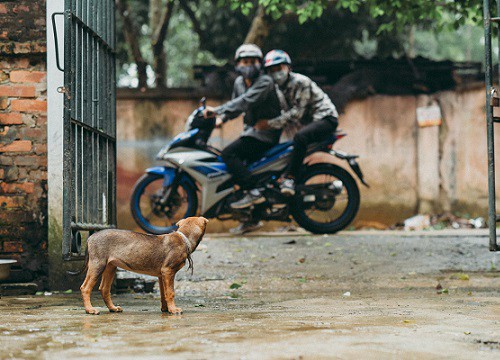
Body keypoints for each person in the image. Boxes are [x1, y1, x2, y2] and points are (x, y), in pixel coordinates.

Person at [203, 44, 285, 233]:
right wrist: (222, 119)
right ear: (238, 64)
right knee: (247, 171)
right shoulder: (240, 82)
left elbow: (245, 101)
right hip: (250, 132)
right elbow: (237, 108)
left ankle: (253, 191)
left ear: (260, 63)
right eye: (245, 61)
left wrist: (217, 110)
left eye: (253, 61)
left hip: (265, 135)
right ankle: (252, 219)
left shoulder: (265, 82)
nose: (248, 65)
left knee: (228, 154)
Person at [258, 49, 339, 196]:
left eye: (279, 68)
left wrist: (270, 123)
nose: (276, 73)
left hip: (326, 119)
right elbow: (285, 115)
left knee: (300, 137)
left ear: (288, 67)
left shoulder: (301, 82)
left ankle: (290, 178)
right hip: (309, 124)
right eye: (272, 70)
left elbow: (297, 113)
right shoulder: (278, 89)